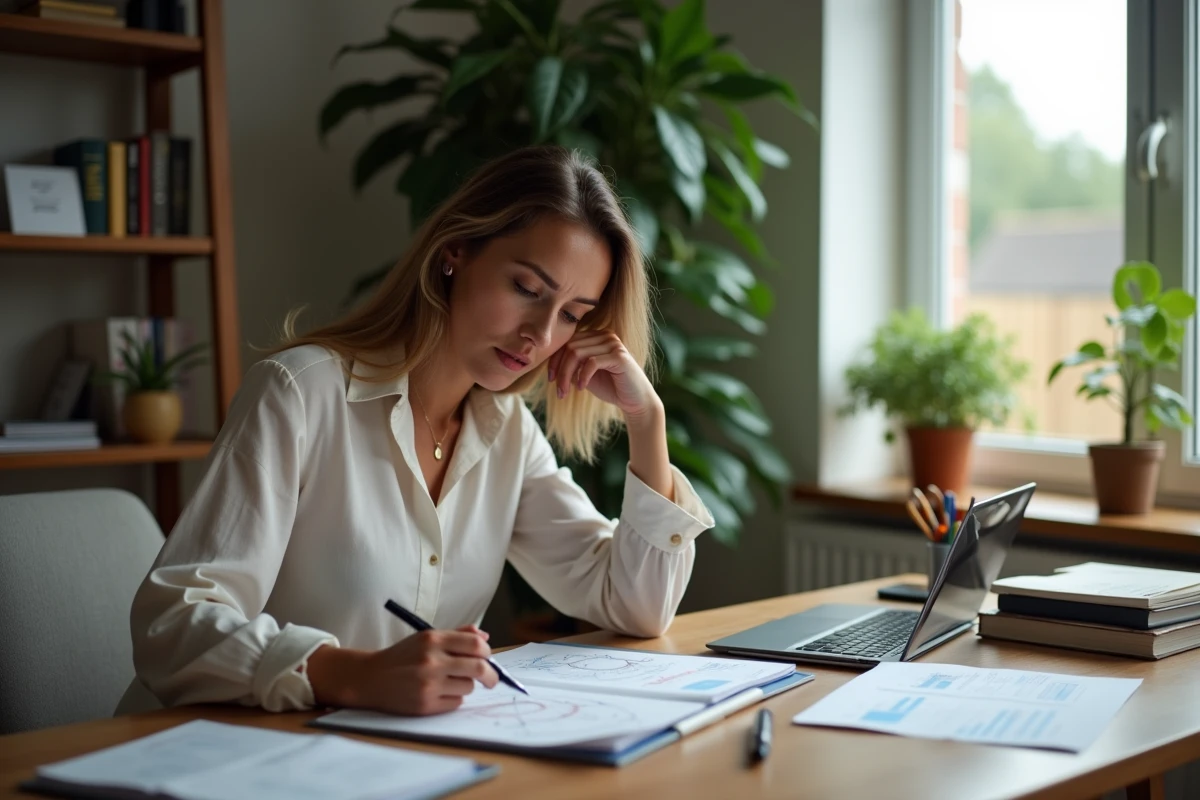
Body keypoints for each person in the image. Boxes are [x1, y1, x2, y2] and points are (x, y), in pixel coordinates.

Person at [127, 145, 714, 719]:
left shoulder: (506, 434)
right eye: (527, 290)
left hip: (389, 763)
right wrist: (351, 674)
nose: (540, 333)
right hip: (219, 754)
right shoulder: (300, 394)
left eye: (572, 315)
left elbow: (636, 607)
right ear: (454, 253)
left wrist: (647, 422)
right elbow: (173, 625)